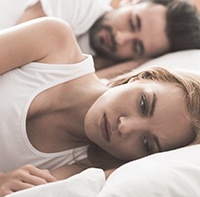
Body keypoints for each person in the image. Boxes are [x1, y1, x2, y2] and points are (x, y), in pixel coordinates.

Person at [1, 17, 200, 196]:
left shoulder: (82, 171)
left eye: (146, 144)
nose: (125, 127)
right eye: (143, 104)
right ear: (141, 77)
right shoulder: (54, 41)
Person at [14, 0, 200, 75]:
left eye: (136, 46)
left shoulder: (95, 67)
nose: (120, 38)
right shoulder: (84, 1)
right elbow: (12, 63)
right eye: (132, 22)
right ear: (130, 1)